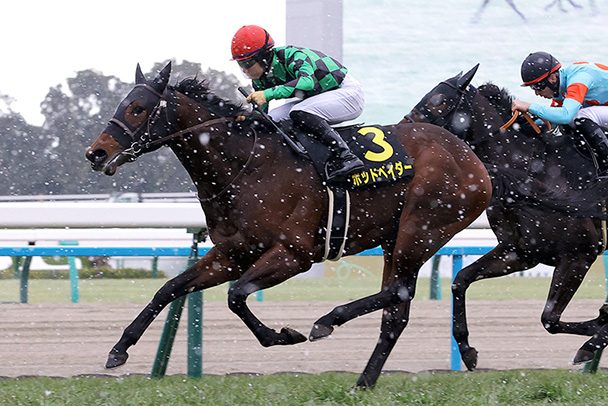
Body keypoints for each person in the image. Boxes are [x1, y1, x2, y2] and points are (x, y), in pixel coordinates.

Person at [231, 24, 365, 181]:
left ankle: (346, 156)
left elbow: (307, 82)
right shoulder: (260, 79)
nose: (245, 70)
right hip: (320, 98)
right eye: (241, 64)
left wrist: (268, 94)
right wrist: (246, 119)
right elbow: (261, 116)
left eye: (247, 63)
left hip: (348, 94)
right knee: (272, 119)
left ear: (263, 57)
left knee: (299, 112)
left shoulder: (292, 55)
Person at [512, 51, 608, 179]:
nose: (536, 93)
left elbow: (565, 115)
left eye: (538, 86)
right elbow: (552, 120)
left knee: (579, 116)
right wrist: (523, 124)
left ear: (552, 78)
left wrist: (530, 106)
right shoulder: (561, 88)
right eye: (532, 88)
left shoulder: (578, 78)